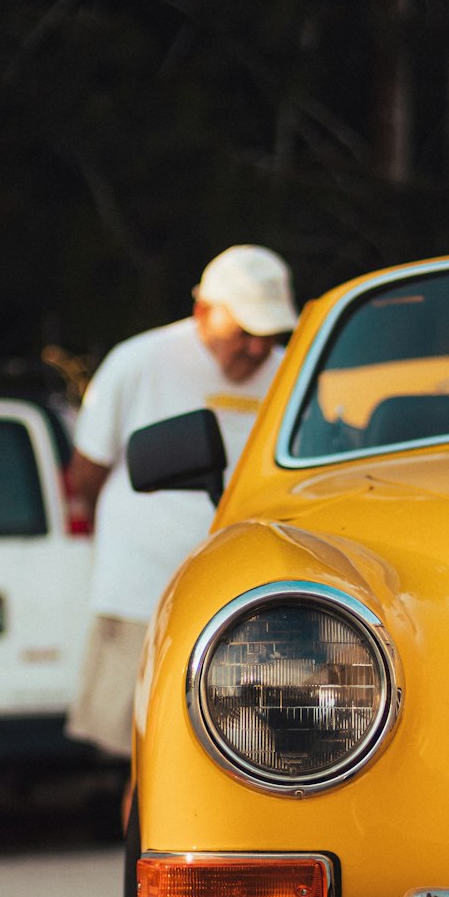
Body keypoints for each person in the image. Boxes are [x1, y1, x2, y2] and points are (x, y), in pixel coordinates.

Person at [65, 244, 298, 782]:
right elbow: (86, 474)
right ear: (202, 312)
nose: (258, 346)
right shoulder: (138, 361)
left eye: (270, 333)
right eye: (244, 330)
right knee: (147, 759)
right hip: (143, 592)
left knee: (257, 758)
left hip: (251, 597)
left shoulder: (289, 374)